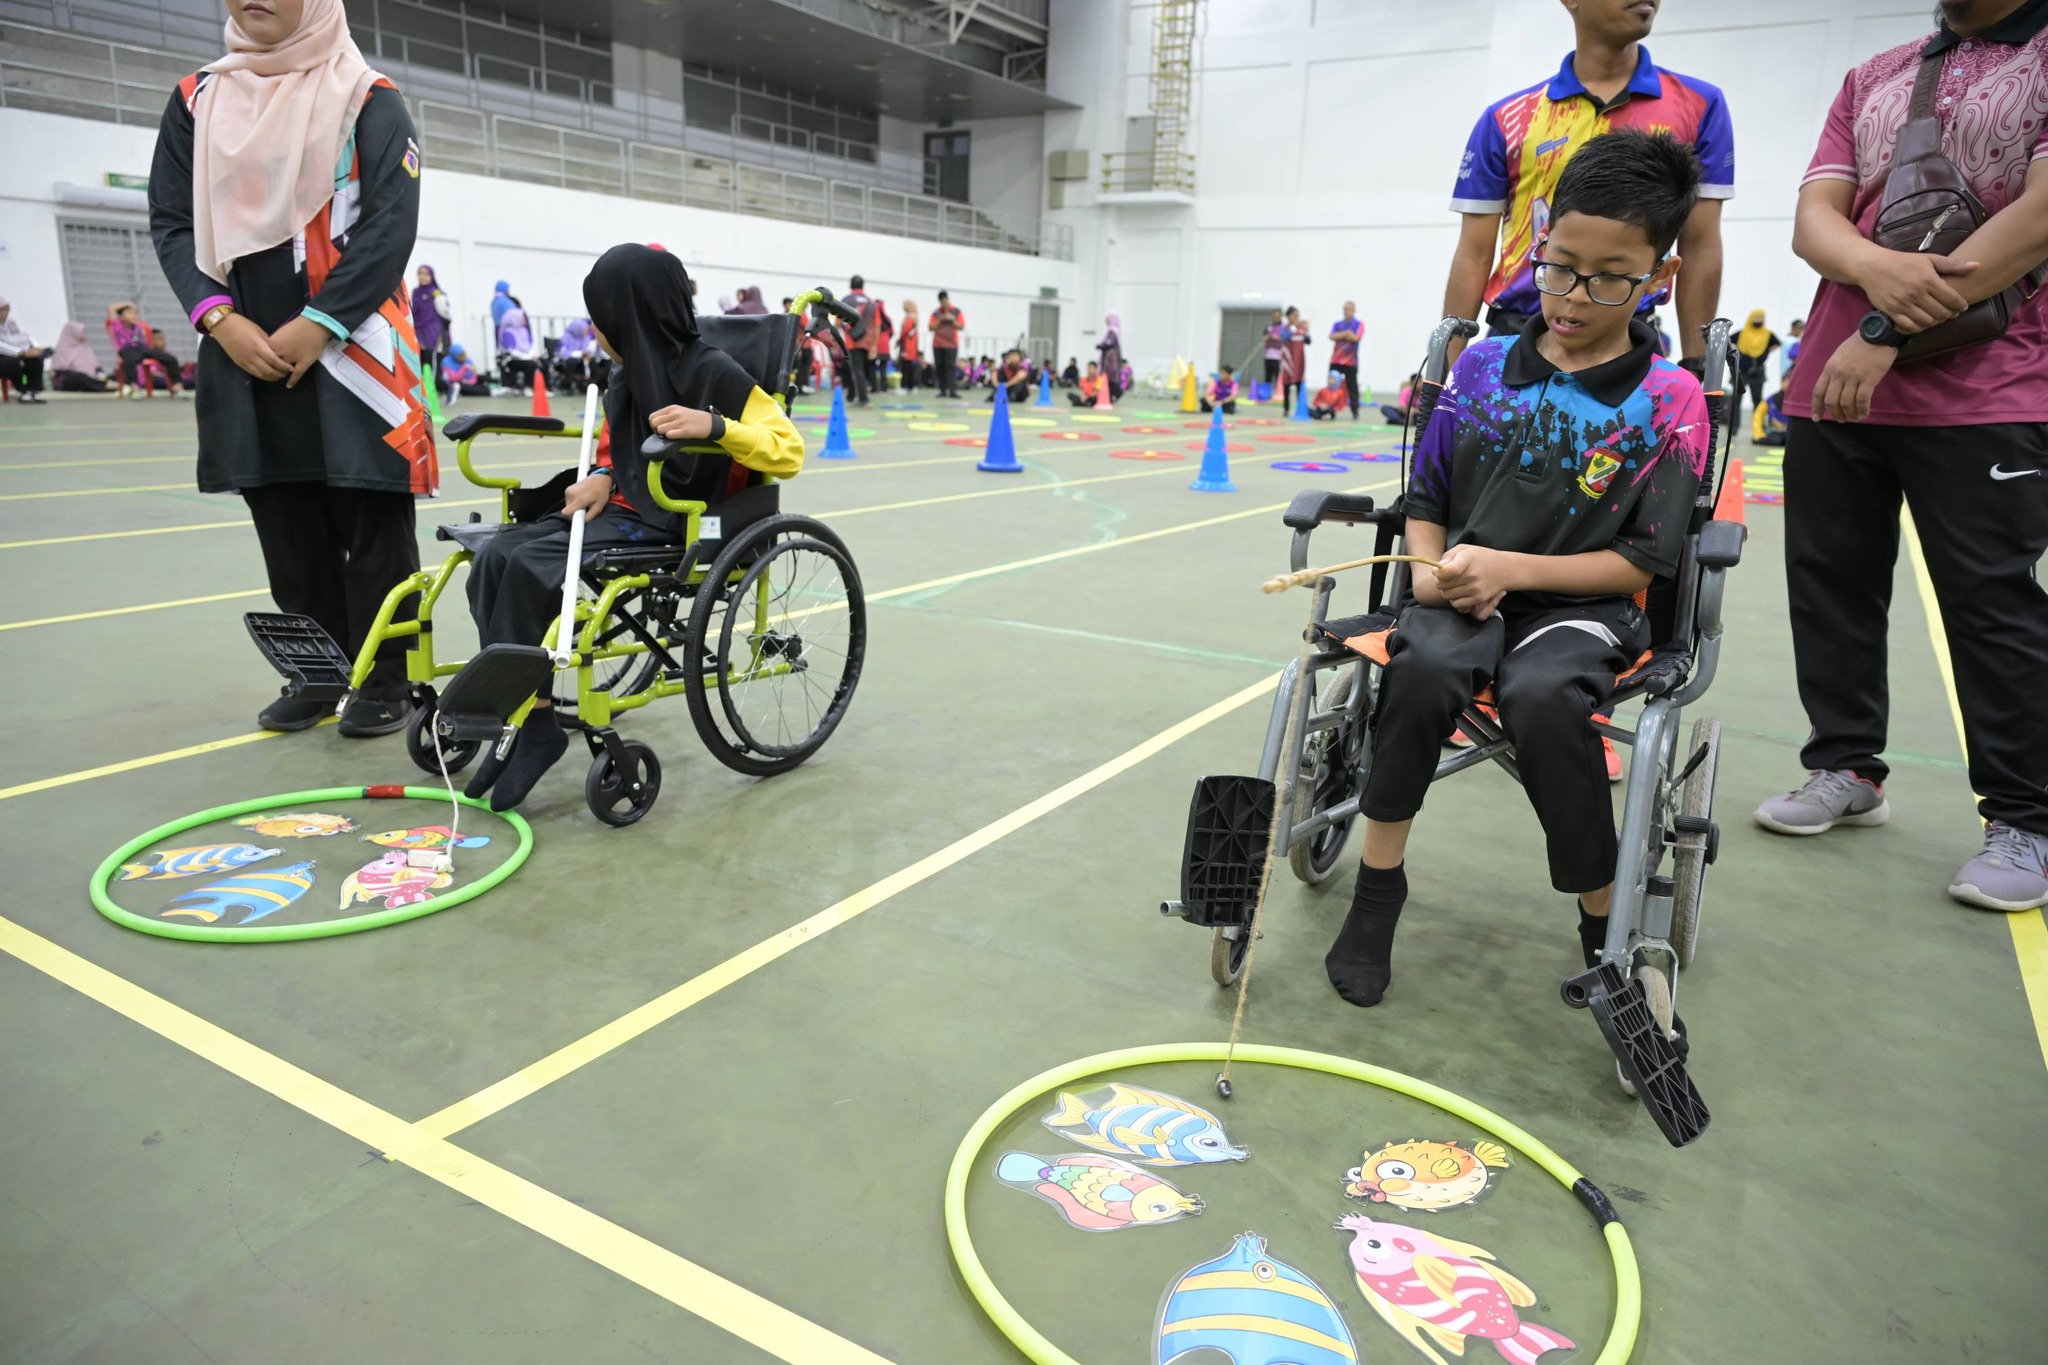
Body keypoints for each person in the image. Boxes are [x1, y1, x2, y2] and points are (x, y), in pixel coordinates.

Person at [1324, 129, 1708, 1008]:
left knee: (1540, 695)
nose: (1574, 296)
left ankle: (1602, 926)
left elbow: (1642, 560)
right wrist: (1428, 572)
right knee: (1421, 665)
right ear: (1537, 240)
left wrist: (1506, 564)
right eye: (1559, 266)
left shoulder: (1671, 400)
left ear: (1661, 278)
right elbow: (1424, 501)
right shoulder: (1484, 364)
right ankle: (1378, 891)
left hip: (1586, 609)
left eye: (1610, 277)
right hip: (1460, 594)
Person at [1753, 0, 2048, 912]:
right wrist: (1869, 270)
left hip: (1985, 388)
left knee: (1990, 599)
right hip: (1836, 381)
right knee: (1831, 581)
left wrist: (1882, 323)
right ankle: (1846, 766)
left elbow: (2039, 219)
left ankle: (2029, 818)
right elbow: (1816, 219)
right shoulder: (1875, 71)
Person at [148, 0, 434, 736]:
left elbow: (388, 226)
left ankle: (385, 676)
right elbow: (173, 220)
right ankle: (318, 670)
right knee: (284, 516)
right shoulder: (196, 102)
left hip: (354, 350)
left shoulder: (370, 99)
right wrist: (220, 319)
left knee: (372, 519)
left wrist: (321, 322)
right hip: (244, 351)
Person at [463, 244, 803, 810]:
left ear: (628, 318)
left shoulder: (712, 370)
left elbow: (787, 451)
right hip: (628, 506)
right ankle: (528, 717)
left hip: (684, 518)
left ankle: (532, 725)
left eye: (601, 318)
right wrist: (600, 475)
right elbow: (617, 452)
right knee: (497, 556)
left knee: (526, 566)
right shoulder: (626, 376)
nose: (595, 329)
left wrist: (716, 425)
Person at [1442, 0, 1732, 367]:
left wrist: (1699, 363)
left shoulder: (1701, 106)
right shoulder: (1507, 119)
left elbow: (1700, 243)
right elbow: (1474, 252)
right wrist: (1444, 369)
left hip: (1626, 343)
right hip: (1514, 340)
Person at [105, 302, 187, 398]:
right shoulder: (117, 325)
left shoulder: (138, 325)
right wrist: (128, 304)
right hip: (127, 349)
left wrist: (132, 309)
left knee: (170, 358)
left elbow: (134, 309)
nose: (133, 315)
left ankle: (177, 386)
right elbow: (111, 308)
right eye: (129, 313)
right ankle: (134, 387)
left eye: (134, 313)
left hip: (142, 348)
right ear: (121, 317)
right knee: (130, 360)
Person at [410, 264, 451, 398]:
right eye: (420, 273)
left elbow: (446, 314)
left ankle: (440, 391)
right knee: (419, 364)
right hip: (418, 332)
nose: (422, 276)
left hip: (433, 333)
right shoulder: (416, 292)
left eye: (426, 274)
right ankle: (423, 396)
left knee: (431, 365)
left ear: (432, 276)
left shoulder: (436, 293)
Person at [0, 298, 50, 402]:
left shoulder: (10, 323)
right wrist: (21, 353)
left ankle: (34, 390)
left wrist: (35, 347)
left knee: (36, 359)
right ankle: (22, 391)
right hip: (5, 355)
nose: (4, 313)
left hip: (15, 353)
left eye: (6, 310)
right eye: (1, 310)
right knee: (12, 363)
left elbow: (23, 336)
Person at [1734, 309, 1780, 413]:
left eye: (1761, 318)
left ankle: (1758, 425)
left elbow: (1777, 343)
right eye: (1756, 318)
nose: (1758, 320)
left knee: (1757, 400)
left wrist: (1766, 351)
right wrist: (1737, 351)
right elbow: (1730, 340)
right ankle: (1734, 426)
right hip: (1742, 370)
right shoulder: (1743, 333)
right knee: (1736, 400)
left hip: (1758, 371)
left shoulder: (1767, 334)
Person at [50, 320, 113, 392]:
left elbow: (97, 368)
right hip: (70, 382)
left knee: (113, 376)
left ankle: (108, 385)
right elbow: (60, 372)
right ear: (72, 333)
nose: (85, 334)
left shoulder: (85, 348)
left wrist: (101, 376)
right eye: (82, 332)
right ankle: (108, 386)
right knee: (79, 377)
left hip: (90, 379)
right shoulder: (61, 349)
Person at [842, 274, 876, 405]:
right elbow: (876, 324)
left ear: (851, 285)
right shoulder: (870, 302)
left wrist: (833, 334)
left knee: (856, 369)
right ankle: (853, 395)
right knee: (863, 369)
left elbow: (839, 320)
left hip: (852, 341)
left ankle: (863, 398)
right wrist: (874, 344)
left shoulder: (846, 300)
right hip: (867, 342)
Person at [1328, 302, 1363, 418]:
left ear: (1354, 310)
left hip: (1351, 361)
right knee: (1331, 384)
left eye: (1349, 309)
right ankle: (1329, 410)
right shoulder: (1337, 324)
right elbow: (1332, 336)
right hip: (1336, 359)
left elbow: (1356, 338)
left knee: (1352, 386)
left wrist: (1342, 335)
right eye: (1345, 309)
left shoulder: (1359, 324)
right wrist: (1346, 333)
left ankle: (1355, 411)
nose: (1347, 311)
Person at [495, 305, 541, 393]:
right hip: (512, 359)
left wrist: (533, 355)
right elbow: (511, 351)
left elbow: (529, 347)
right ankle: (528, 387)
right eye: (522, 317)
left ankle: (545, 387)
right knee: (531, 365)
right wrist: (528, 357)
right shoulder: (508, 332)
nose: (524, 320)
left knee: (544, 362)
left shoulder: (524, 331)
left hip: (526, 357)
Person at [929, 290, 964, 398]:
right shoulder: (936, 313)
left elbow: (961, 326)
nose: (944, 303)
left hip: (951, 345)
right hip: (938, 344)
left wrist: (951, 319)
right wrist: (940, 319)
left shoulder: (956, 312)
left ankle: (953, 390)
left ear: (948, 300)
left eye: (946, 300)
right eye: (942, 301)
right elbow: (931, 327)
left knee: (950, 367)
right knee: (940, 367)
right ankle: (942, 390)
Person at [553, 316, 602, 388]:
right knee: (571, 362)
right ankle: (568, 384)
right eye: (584, 329)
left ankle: (592, 382)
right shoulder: (566, 337)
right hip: (568, 360)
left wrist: (587, 354)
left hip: (581, 360)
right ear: (578, 329)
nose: (586, 331)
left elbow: (587, 349)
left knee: (593, 361)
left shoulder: (584, 337)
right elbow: (563, 353)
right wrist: (580, 354)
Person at [1280, 306, 1309, 412]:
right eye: (1293, 315)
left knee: (1299, 384)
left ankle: (1299, 408)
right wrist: (1294, 328)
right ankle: (1286, 409)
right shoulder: (1285, 328)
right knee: (1286, 384)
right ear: (1288, 316)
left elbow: (1308, 341)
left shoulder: (1301, 329)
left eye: (1297, 315)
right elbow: (1285, 337)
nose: (1296, 317)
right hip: (1288, 361)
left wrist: (1306, 330)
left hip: (1299, 361)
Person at [1096, 313, 1124, 401]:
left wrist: (1100, 346)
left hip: (1110, 359)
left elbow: (1109, 342)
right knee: (1108, 378)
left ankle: (1116, 393)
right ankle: (1110, 395)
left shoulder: (1112, 331)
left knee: (1108, 377)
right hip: (1111, 358)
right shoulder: (1114, 331)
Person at [1260, 309, 1285, 402]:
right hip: (1268, 354)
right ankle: (1267, 394)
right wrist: (1267, 337)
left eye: (1278, 316)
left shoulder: (1283, 327)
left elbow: (1283, 338)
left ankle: (1277, 394)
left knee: (1277, 375)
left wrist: (1275, 337)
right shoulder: (1269, 327)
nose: (1276, 318)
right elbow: (1264, 337)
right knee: (1268, 375)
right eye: (1274, 316)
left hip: (1278, 355)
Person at [896, 299, 921, 392]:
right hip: (912, 346)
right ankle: (911, 386)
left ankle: (904, 386)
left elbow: (905, 331)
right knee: (910, 367)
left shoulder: (909, 318)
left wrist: (899, 340)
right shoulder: (916, 317)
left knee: (905, 367)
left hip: (907, 346)